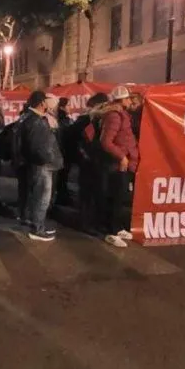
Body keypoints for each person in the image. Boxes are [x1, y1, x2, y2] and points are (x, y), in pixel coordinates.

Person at [97, 86, 140, 248]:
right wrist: (122, 157)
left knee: (120, 198)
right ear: (121, 100)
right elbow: (106, 141)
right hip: (118, 166)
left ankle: (117, 228)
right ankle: (112, 232)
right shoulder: (114, 116)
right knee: (116, 198)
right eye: (128, 98)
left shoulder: (121, 114)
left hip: (124, 164)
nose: (130, 101)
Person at [20, 90, 63, 241]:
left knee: (38, 196)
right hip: (42, 166)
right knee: (42, 197)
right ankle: (37, 229)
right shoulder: (35, 120)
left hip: (39, 165)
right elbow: (37, 146)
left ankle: (36, 224)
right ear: (42, 103)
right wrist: (48, 159)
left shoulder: (30, 118)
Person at [64, 92, 109, 224]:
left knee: (89, 191)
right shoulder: (89, 119)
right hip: (90, 159)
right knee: (91, 191)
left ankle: (88, 219)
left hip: (88, 159)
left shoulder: (88, 118)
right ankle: (88, 220)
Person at [54, 97, 75, 205]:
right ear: (62, 107)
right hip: (63, 152)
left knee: (62, 177)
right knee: (62, 177)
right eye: (68, 105)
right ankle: (61, 198)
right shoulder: (62, 120)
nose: (70, 107)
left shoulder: (65, 119)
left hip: (64, 152)